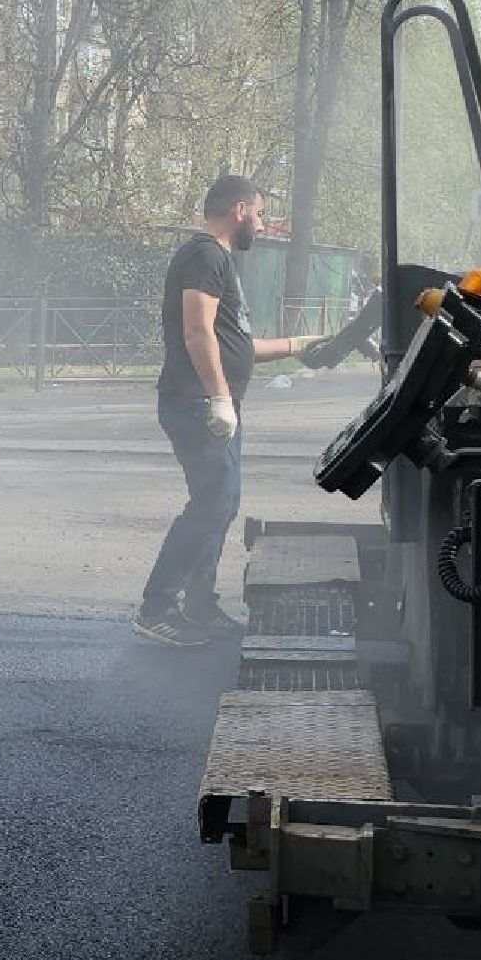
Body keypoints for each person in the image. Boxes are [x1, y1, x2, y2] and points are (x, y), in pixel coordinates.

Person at [135, 176, 327, 647]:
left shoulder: (217, 260)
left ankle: (199, 603)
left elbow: (234, 344)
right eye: (259, 214)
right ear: (239, 209)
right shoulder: (204, 254)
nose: (260, 225)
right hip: (196, 402)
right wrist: (219, 397)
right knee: (213, 500)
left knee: (223, 502)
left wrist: (297, 346)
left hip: (213, 403)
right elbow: (197, 333)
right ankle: (157, 607)